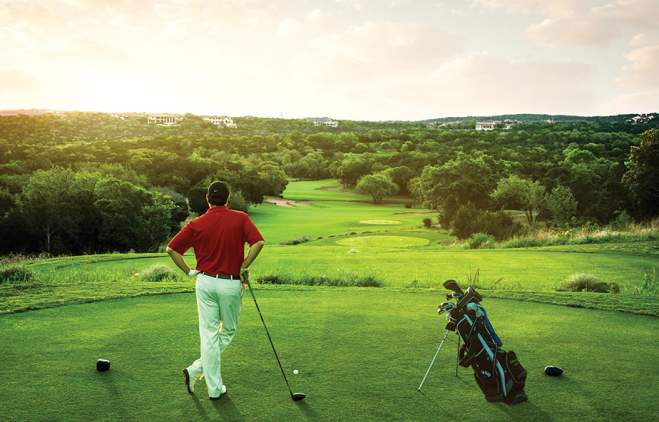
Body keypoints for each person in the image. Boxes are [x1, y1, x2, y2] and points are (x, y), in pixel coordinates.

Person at [166, 180, 265, 400]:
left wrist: (188, 271)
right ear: (228, 198)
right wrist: (244, 265)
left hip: (204, 282)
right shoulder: (240, 218)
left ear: (208, 199)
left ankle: (199, 371)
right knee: (227, 331)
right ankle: (212, 386)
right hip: (230, 283)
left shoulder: (196, 223)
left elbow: (171, 249)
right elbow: (258, 243)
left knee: (209, 335)